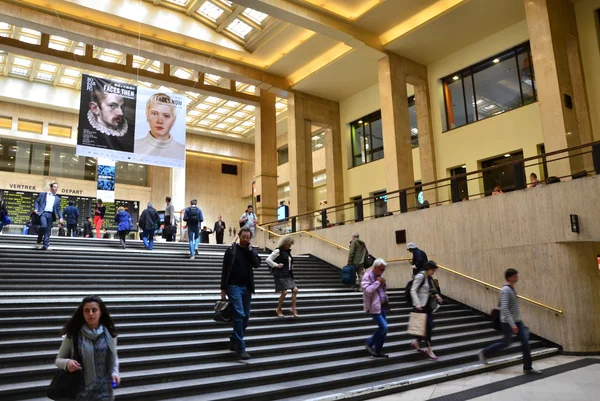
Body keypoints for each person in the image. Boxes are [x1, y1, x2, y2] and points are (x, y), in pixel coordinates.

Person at [55, 295, 120, 401]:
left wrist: (115, 372)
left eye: (94, 310)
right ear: (82, 313)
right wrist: (67, 363)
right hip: (80, 392)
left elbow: (113, 357)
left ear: (101, 312)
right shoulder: (73, 335)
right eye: (87, 311)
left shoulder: (109, 334)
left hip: (105, 391)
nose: (90, 314)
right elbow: (58, 360)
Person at [478, 269, 542, 375]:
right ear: (510, 277)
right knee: (506, 343)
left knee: (525, 344)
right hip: (507, 322)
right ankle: (484, 352)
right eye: (515, 276)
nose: (517, 277)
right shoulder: (505, 290)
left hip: (517, 321)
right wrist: (513, 325)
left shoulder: (512, 289)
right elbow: (505, 309)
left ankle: (528, 368)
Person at [220, 227, 262, 360]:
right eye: (243, 237)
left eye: (247, 237)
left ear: (250, 238)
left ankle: (234, 339)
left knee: (246, 317)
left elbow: (257, 264)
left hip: (247, 287)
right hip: (233, 287)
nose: (245, 239)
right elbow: (224, 269)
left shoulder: (251, 251)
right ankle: (240, 347)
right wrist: (223, 288)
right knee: (239, 314)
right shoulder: (231, 250)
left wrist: (250, 251)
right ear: (239, 236)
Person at [82, 77, 134, 152]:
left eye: (122, 107)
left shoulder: (130, 132)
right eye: (112, 106)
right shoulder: (85, 132)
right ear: (95, 108)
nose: (121, 113)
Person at [134, 93, 185, 159]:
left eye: (166, 116)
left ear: (174, 120)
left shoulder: (182, 151)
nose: (160, 121)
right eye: (154, 114)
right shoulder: (134, 146)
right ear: (147, 115)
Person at [410, 261, 443, 360]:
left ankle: (416, 342)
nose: (433, 272)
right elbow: (413, 290)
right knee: (428, 326)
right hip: (421, 306)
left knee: (429, 326)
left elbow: (432, 289)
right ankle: (429, 350)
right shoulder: (420, 276)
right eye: (433, 270)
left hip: (428, 306)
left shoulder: (429, 277)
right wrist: (417, 303)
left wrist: (437, 296)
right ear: (428, 268)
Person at [362, 258, 390, 358]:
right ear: (376, 267)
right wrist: (378, 282)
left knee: (385, 330)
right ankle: (369, 343)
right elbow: (367, 290)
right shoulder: (367, 275)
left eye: (384, 270)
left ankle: (377, 351)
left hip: (381, 305)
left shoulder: (379, 275)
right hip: (374, 307)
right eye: (381, 269)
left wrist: (384, 283)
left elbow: (383, 290)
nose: (383, 271)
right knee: (384, 327)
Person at [266, 236, 299, 318]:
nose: (290, 246)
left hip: (287, 274)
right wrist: (276, 265)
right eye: (289, 244)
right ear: (284, 243)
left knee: (295, 290)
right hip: (280, 274)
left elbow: (289, 263)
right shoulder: (278, 251)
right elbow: (268, 260)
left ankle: (293, 309)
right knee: (284, 292)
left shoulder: (288, 252)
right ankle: (279, 309)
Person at [33, 181, 63, 251]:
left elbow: (58, 209)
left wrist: (61, 217)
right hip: (43, 213)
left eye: (57, 187)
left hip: (51, 215)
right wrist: (36, 209)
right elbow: (37, 201)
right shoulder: (43, 194)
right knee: (43, 226)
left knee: (48, 230)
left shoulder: (57, 199)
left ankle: (45, 245)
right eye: (55, 187)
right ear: (51, 187)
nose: (56, 188)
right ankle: (39, 240)